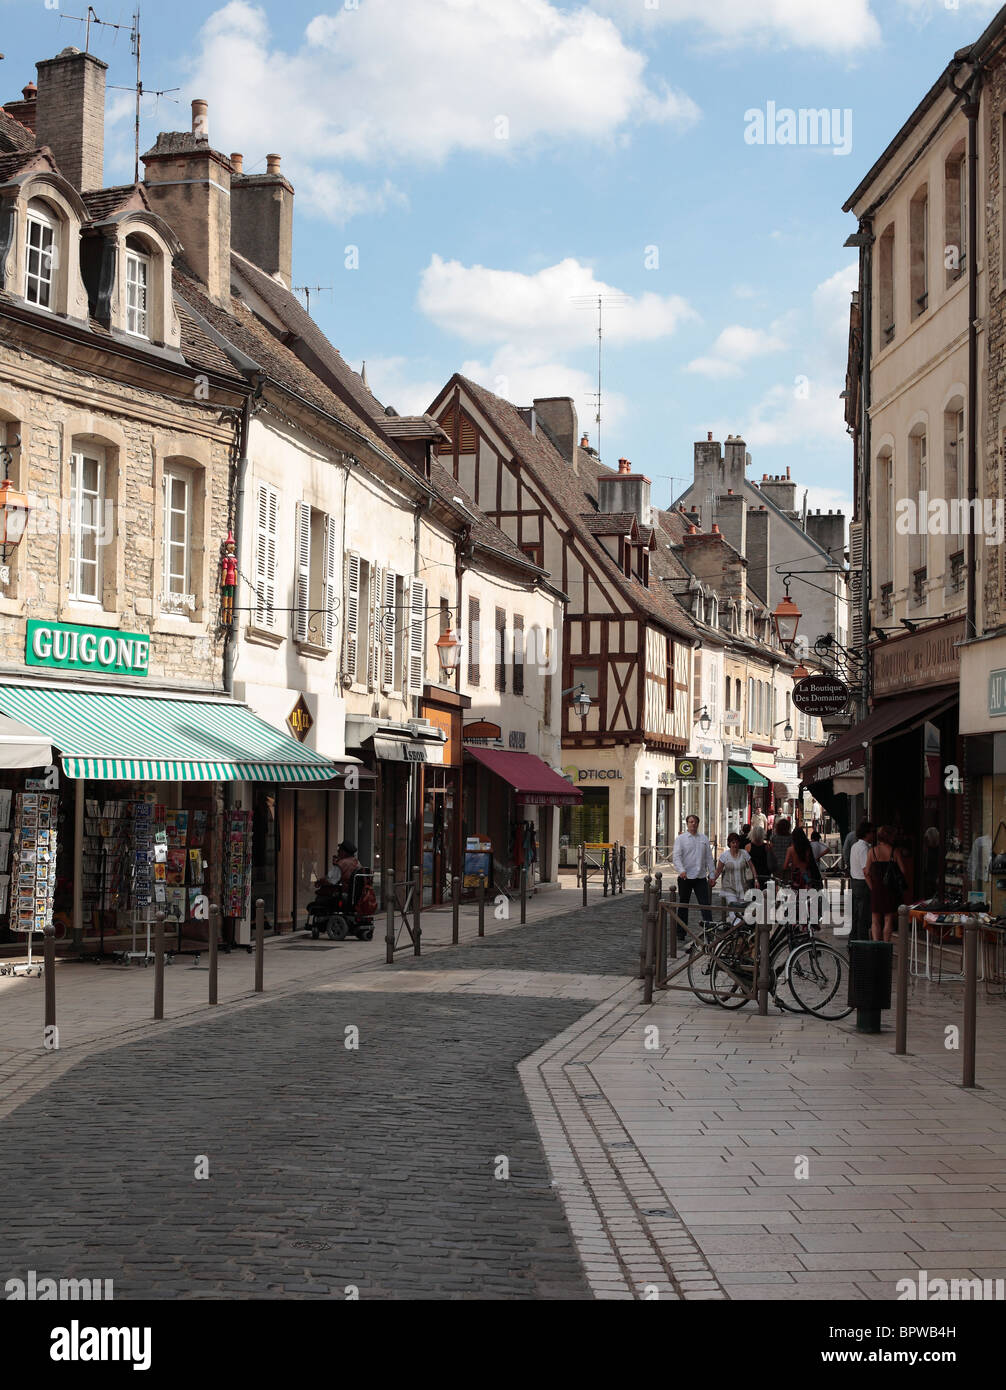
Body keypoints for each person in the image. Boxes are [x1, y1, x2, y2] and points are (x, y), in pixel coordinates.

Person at [866, 825, 910, 943]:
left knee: (875, 919)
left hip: (876, 888)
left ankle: (876, 944)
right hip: (890, 888)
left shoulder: (872, 852)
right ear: (890, 837)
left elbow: (866, 872)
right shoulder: (894, 851)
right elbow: (903, 871)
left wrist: (872, 887)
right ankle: (886, 945)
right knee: (888, 918)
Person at [672, 814, 715, 938]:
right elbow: (676, 857)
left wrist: (711, 875)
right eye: (691, 822)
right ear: (687, 824)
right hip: (685, 877)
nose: (693, 824)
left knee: (705, 905)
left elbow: (709, 858)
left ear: (698, 824)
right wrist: (681, 870)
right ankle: (681, 932)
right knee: (683, 905)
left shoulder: (704, 838)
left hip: (700, 877)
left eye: (695, 822)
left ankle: (710, 931)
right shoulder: (681, 839)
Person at [711, 832, 759, 908]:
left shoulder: (744, 853)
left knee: (741, 912)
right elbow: (718, 870)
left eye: (737, 842)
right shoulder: (725, 855)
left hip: (743, 888)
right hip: (729, 888)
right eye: (733, 842)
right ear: (729, 844)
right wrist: (713, 879)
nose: (735, 845)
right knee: (733, 911)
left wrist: (756, 880)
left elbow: (752, 867)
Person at [848, 819, 875, 942]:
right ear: (867, 833)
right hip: (863, 883)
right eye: (872, 832)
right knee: (863, 917)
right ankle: (861, 943)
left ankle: (853, 941)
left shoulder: (855, 846)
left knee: (856, 915)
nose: (873, 835)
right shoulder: (864, 848)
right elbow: (866, 871)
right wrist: (872, 888)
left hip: (855, 882)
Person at [783, 826, 822, 891]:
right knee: (805, 895)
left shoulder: (790, 849)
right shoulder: (807, 848)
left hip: (796, 876)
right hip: (806, 875)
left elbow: (785, 866)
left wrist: (791, 865)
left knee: (796, 896)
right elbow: (808, 862)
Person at [767, 816, 794, 881]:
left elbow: (770, 849)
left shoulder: (773, 838)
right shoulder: (791, 838)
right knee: (787, 884)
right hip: (788, 865)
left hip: (776, 864)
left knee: (777, 883)